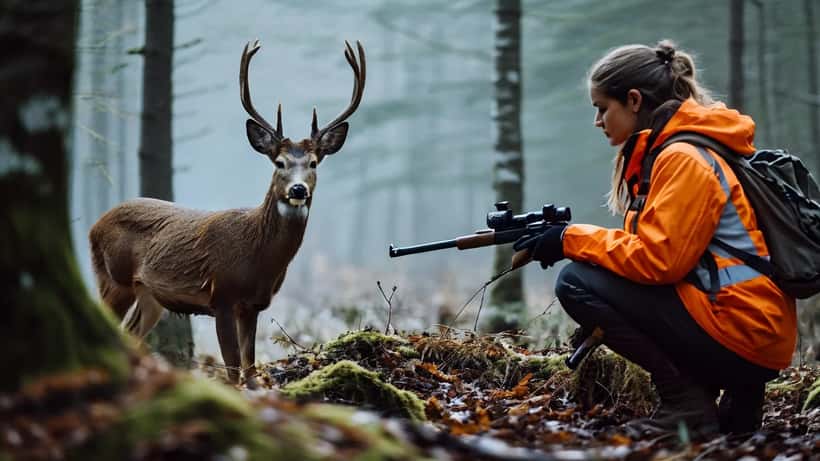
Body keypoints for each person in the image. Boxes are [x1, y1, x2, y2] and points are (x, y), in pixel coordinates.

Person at [513, 40, 795, 436]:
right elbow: (670, 250)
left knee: (576, 282)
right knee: (599, 274)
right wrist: (568, 238)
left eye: (601, 108)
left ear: (632, 100)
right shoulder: (694, 146)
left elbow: (659, 261)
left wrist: (569, 240)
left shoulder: (683, 157)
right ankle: (737, 402)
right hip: (754, 329)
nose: (597, 121)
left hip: (742, 333)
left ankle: (686, 404)